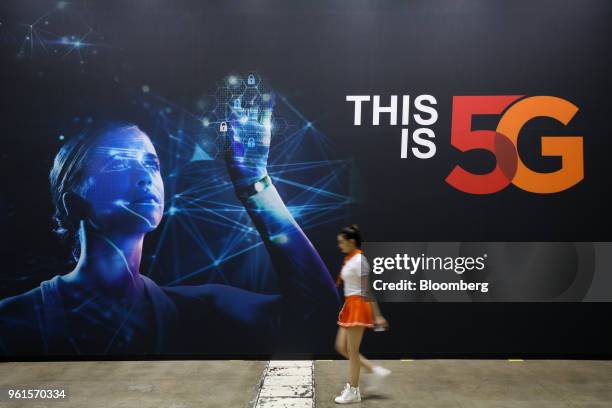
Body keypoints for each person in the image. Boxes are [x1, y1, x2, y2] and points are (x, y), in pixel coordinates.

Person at [0, 84, 339, 355]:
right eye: (119, 164)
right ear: (72, 196)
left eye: (152, 164)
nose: (145, 177)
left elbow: (319, 318)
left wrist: (254, 182)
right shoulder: (14, 319)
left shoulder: (197, 311)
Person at [333, 224, 391, 404]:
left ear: (352, 241)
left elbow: (368, 290)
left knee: (352, 350)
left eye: (342, 242)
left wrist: (378, 315)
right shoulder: (350, 259)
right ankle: (375, 370)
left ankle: (354, 390)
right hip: (350, 305)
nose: (339, 245)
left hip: (358, 305)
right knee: (341, 347)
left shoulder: (359, 260)